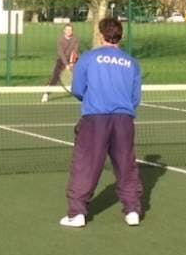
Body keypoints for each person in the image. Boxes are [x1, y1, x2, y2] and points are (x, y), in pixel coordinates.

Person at [60, 16, 144, 227]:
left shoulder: (88, 58)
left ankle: (77, 214)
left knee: (85, 165)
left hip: (95, 120)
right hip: (124, 121)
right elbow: (135, 98)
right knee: (127, 166)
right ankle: (132, 210)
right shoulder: (133, 63)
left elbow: (78, 90)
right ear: (120, 36)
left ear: (100, 34)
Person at [43, 23, 80, 102]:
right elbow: (61, 53)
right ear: (64, 31)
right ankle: (46, 94)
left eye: (70, 30)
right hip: (61, 60)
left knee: (80, 75)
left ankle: (84, 94)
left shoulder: (75, 39)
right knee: (55, 77)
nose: (68, 31)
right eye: (67, 30)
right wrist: (66, 64)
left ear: (72, 31)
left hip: (72, 60)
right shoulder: (60, 40)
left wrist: (71, 63)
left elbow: (75, 51)